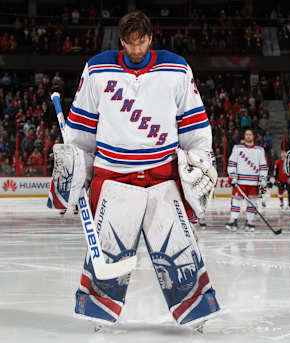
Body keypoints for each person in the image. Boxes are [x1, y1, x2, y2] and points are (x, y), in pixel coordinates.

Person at [47, 11, 220, 330]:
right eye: (130, 43)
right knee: (108, 245)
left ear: (150, 38)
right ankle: (98, 311)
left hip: (162, 171)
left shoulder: (176, 68)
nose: (136, 49)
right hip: (113, 172)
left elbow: (193, 122)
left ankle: (197, 311)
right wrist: (78, 163)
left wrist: (200, 156)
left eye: (141, 42)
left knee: (177, 245)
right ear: (121, 41)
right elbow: (82, 127)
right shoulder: (98, 69)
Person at [226, 128, 268, 232]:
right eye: (246, 134)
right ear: (244, 136)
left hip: (254, 182)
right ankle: (233, 221)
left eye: (250, 134)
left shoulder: (260, 150)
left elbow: (263, 166)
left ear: (253, 136)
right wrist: (232, 175)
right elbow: (232, 163)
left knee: (252, 203)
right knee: (236, 202)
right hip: (240, 181)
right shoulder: (237, 148)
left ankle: (249, 222)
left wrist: (262, 178)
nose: (248, 136)